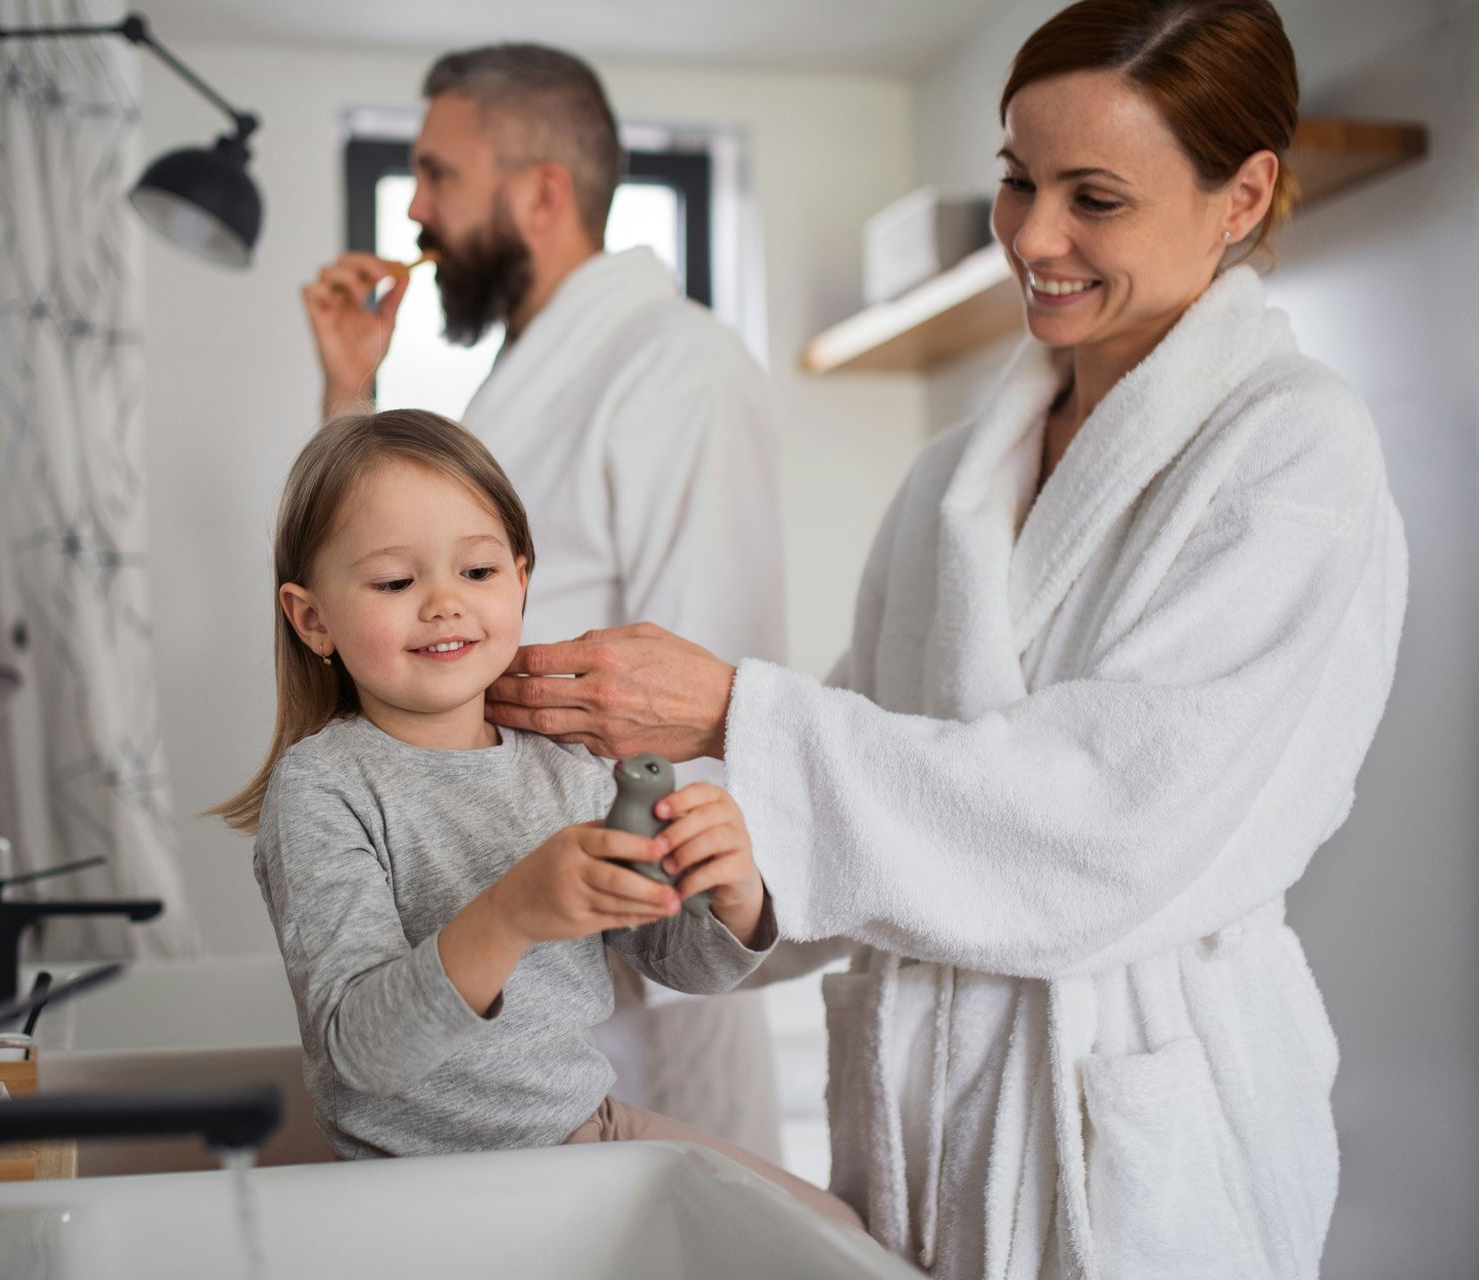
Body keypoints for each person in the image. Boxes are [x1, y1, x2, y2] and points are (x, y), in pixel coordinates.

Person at [485, 3, 1408, 1276]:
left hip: (1136, 1128)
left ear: (1242, 195)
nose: (1034, 236)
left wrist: (733, 714)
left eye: (1094, 196)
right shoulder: (950, 483)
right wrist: (737, 875)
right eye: (1017, 181)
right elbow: (863, 811)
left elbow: (1112, 818)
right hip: (921, 1118)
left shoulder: (1294, 452)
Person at [300, 43, 789, 1157]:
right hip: (488, 989)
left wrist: (684, 903)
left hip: (636, 971)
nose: (415, 205)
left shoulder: (679, 366)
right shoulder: (528, 377)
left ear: (544, 192)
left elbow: (698, 687)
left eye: (439, 172)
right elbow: (367, 557)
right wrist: (349, 390)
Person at [213, 410, 862, 1232]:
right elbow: (361, 1052)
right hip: (409, 1192)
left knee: (835, 1240)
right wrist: (513, 911)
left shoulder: (563, 765)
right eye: (394, 583)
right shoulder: (322, 790)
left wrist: (732, 893)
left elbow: (677, 963)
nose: (445, 604)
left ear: (521, 578)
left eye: (477, 570)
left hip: (579, 1135)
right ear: (313, 620)